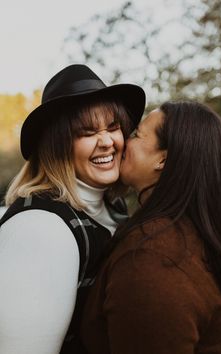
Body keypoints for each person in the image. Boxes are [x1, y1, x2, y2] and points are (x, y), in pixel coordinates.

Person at [0, 64, 145, 354]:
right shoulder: (40, 229)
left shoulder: (114, 207)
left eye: (113, 127)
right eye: (87, 132)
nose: (106, 142)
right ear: (58, 146)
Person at [80, 101, 221, 354]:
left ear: (162, 160)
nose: (122, 142)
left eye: (137, 135)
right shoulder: (192, 235)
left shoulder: (152, 260)